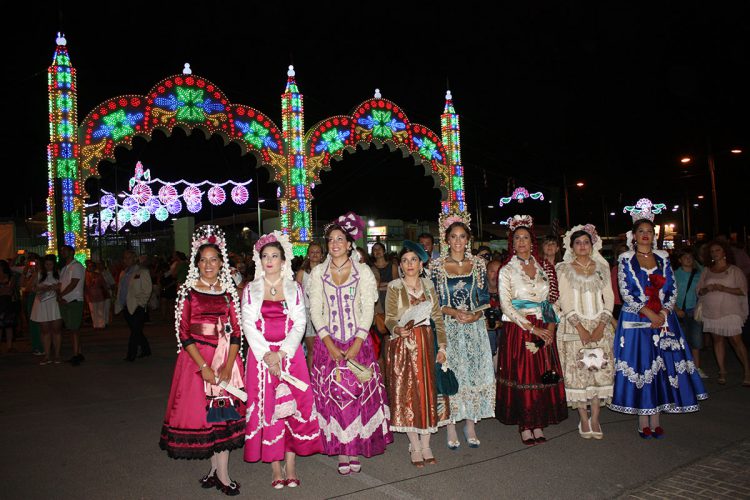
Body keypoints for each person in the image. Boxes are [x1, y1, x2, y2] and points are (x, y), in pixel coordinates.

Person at [159, 226, 245, 496]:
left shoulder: (229, 293)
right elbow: (184, 333)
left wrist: (228, 366)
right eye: (203, 259)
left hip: (225, 360)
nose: (208, 264)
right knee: (206, 419)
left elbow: (236, 332)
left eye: (213, 259)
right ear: (197, 263)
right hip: (196, 362)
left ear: (221, 263)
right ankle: (215, 471)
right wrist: (204, 367)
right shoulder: (188, 291)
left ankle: (222, 473)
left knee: (221, 419)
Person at [610, 201, 707, 439]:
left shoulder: (663, 258)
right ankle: (643, 418)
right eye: (641, 231)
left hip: (663, 320)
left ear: (654, 236)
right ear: (633, 235)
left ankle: (657, 417)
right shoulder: (625, 259)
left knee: (662, 366)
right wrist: (649, 312)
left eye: (649, 232)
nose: (645, 235)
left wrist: (663, 313)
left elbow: (671, 289)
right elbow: (627, 290)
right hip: (637, 319)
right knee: (642, 365)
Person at [308, 212, 392, 476]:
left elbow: (368, 308)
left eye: (340, 239)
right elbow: (316, 310)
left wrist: (357, 342)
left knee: (357, 396)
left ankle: (353, 449)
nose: (335, 244)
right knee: (335, 398)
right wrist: (328, 343)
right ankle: (341, 451)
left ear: (348, 243)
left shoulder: (363, 271)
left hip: (358, 343)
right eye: (331, 239)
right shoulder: (318, 273)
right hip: (328, 344)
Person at [242, 231, 323, 489]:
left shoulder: (294, 288)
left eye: (274, 256)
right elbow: (247, 325)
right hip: (261, 359)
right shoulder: (251, 289)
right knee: (269, 409)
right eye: (265, 256)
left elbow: (301, 322)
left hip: (291, 357)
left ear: (283, 260)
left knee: (293, 408)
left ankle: (291, 464)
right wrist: (268, 355)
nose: (269, 260)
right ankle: (275, 466)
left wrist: (282, 352)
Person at [496, 215, 567, 445]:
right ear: (512, 243)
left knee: (542, 374)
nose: (522, 242)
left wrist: (549, 328)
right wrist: (532, 329)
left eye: (525, 237)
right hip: (520, 328)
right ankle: (526, 424)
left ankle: (539, 421)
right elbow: (506, 304)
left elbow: (552, 300)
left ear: (532, 241)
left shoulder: (544, 266)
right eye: (517, 238)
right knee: (524, 375)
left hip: (544, 325)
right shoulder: (507, 270)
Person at [430, 213, 495, 449]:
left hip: (473, 327)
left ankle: (470, 424)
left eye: (462, 237)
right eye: (454, 237)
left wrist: (476, 314)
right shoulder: (436, 266)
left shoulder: (478, 264)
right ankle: (450, 425)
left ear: (468, 239)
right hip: (449, 327)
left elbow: (484, 297)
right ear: (446, 239)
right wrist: (453, 312)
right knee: (452, 374)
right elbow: (434, 300)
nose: (458, 241)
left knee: (473, 374)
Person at [385, 241, 447, 467]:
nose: (409, 264)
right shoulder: (394, 287)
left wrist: (442, 347)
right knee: (408, 393)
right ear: (400, 265)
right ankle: (415, 444)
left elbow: (438, 318)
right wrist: (396, 329)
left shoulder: (429, 285)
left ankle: (426, 443)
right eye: (404, 260)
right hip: (404, 345)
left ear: (421, 264)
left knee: (427, 391)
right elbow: (390, 317)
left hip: (426, 343)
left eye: (413, 260)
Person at [555, 224, 615, 439]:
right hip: (574, 327)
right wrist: (580, 328)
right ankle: (583, 418)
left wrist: (601, 325)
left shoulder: (602, 268)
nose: (582, 246)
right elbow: (565, 300)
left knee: (598, 372)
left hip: (600, 325)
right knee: (579, 374)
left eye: (586, 242)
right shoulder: (563, 269)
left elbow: (609, 298)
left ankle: (596, 418)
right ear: (571, 246)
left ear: (592, 245)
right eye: (578, 243)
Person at [697, 239, 749, 385]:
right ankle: (722, 370)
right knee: (717, 340)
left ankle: (747, 370)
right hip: (712, 311)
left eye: (717, 250)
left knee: (736, 341)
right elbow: (699, 290)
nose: (715, 253)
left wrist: (723, 288)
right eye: (712, 251)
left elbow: (742, 290)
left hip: (730, 310)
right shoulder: (707, 270)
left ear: (724, 252)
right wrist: (707, 289)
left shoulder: (734, 270)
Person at [674, 248, 708, 379]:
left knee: (696, 341)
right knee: (680, 341)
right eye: (685, 257)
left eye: (690, 257)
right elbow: (669, 294)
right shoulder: (675, 274)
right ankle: (681, 368)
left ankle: (696, 368)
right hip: (679, 311)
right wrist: (676, 309)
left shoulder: (699, 274)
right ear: (680, 260)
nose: (688, 259)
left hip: (694, 310)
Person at [115, 250, 152, 361]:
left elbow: (147, 289)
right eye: (125, 258)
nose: (127, 260)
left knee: (135, 332)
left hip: (137, 306)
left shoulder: (142, 271)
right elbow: (121, 289)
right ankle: (146, 350)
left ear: (134, 258)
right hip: (126, 305)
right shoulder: (123, 273)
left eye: (129, 257)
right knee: (136, 330)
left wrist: (141, 304)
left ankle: (131, 354)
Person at [295, 242, 324, 372]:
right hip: (307, 312)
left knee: (325, 347)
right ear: (308, 254)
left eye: (318, 252)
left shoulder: (327, 271)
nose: (315, 254)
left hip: (325, 312)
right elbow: (296, 294)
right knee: (312, 349)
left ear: (322, 255)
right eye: (312, 252)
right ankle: (312, 379)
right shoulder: (302, 272)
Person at [30, 255, 63, 365]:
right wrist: (40, 288)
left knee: (56, 330)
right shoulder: (39, 274)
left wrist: (56, 287)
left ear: (54, 264)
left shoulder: (59, 273)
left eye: (50, 264)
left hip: (54, 303)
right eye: (46, 264)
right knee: (45, 331)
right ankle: (47, 355)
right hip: (42, 303)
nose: (48, 266)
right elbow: (31, 287)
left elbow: (63, 285)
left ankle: (57, 355)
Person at [58, 245, 85, 365]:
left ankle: (76, 355)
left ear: (72, 252)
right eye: (62, 251)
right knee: (72, 329)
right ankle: (78, 353)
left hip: (74, 300)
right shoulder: (64, 268)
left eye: (65, 250)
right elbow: (61, 284)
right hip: (66, 300)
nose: (63, 252)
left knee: (74, 329)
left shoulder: (77, 266)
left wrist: (61, 295)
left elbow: (73, 284)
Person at [21, 254, 44, 355]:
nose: (33, 264)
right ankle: (38, 345)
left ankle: (39, 346)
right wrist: (26, 271)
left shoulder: (40, 273)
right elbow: (22, 284)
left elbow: (27, 287)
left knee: (36, 323)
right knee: (35, 322)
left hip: (36, 297)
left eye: (36, 262)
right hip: (32, 297)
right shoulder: (32, 272)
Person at [486, 258, 503, 371]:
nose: (495, 275)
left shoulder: (507, 291)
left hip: (503, 333)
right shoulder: (479, 291)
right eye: (492, 271)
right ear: (486, 272)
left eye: (498, 272)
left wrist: (501, 323)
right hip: (485, 336)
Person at [0, 260, 19, 353]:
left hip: (8, 302)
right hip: (2, 301)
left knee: (9, 325)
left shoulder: (11, 276)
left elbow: (9, 290)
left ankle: (9, 346)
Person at [84, 260, 109, 329]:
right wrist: (86, 296)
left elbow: (104, 284)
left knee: (100, 310)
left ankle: (101, 324)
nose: (91, 268)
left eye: (92, 266)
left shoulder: (98, 275)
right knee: (93, 311)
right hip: (91, 295)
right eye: (89, 267)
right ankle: (96, 325)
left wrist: (106, 292)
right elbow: (86, 287)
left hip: (99, 294)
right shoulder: (86, 276)